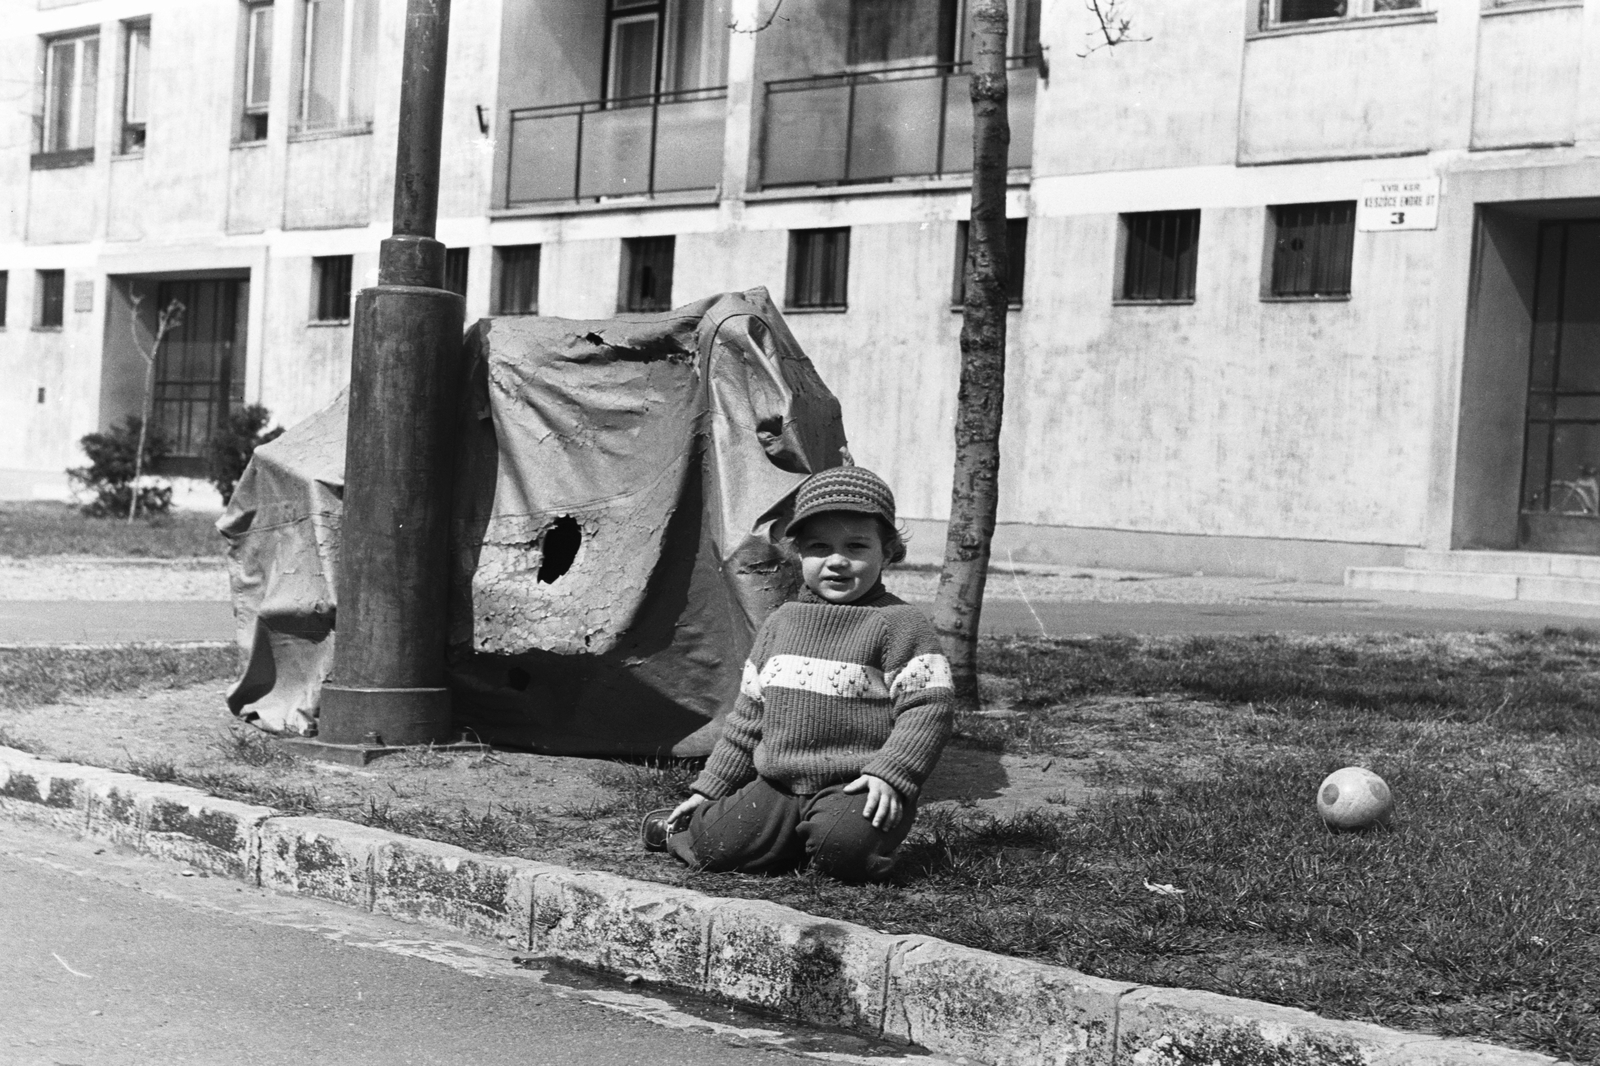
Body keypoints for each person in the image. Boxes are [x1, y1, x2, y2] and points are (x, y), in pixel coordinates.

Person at [639, 465, 954, 883]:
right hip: (781, 784)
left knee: (842, 849)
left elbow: (927, 710)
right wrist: (708, 788)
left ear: (889, 550)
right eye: (819, 547)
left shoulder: (900, 625)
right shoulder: (781, 624)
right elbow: (749, 720)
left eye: (856, 546)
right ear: (798, 553)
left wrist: (892, 774)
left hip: (858, 786)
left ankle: (828, 843)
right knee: (715, 845)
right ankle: (684, 829)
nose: (837, 561)